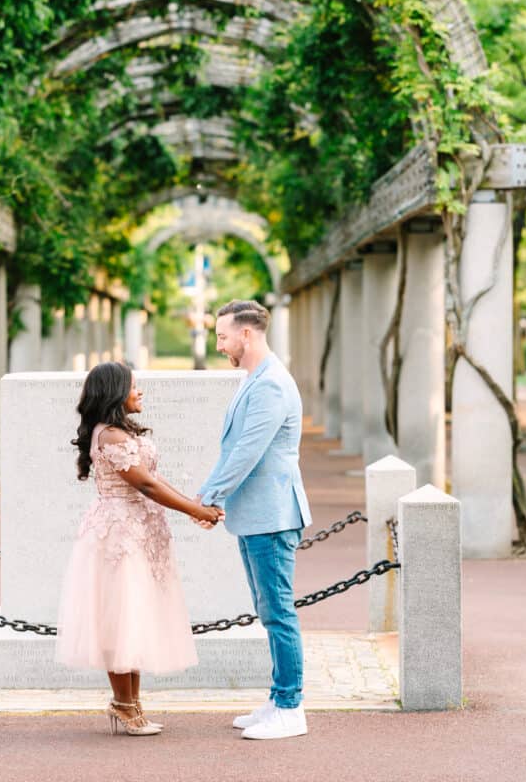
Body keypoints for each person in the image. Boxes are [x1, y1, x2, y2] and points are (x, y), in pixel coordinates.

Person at [55, 360, 223, 737]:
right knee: (120, 618)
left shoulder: (120, 432)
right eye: (134, 386)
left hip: (140, 530)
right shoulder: (111, 437)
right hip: (119, 535)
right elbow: (145, 486)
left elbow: (154, 480)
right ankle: (124, 704)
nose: (140, 391)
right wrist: (196, 510)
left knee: (133, 616)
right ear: (116, 392)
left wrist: (197, 506)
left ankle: (130, 704)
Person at [197, 299, 312, 740]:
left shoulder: (271, 385)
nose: (219, 343)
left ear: (247, 334)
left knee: (279, 612)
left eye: (223, 336)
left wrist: (208, 498)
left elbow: (247, 450)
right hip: (256, 516)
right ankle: (278, 697)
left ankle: (290, 706)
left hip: (273, 516)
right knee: (269, 611)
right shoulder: (255, 378)